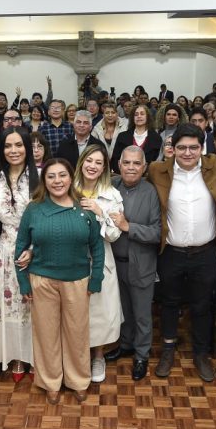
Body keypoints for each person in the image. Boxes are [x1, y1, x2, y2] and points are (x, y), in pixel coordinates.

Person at [15, 158, 104, 404]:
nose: (57, 181)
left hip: (77, 281)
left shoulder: (84, 208)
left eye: (62, 175)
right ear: (45, 181)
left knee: (77, 333)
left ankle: (78, 380)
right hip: (42, 280)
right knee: (46, 334)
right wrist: (24, 283)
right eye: (51, 176)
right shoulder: (34, 209)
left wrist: (96, 278)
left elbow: (97, 246)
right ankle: (50, 381)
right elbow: (20, 246)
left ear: (70, 177)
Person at [147, 123, 216, 382]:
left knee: (203, 305)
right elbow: (127, 177)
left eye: (194, 147)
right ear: (172, 149)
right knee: (169, 302)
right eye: (182, 147)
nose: (188, 153)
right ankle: (168, 348)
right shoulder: (158, 171)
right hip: (171, 252)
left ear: (202, 148)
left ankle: (201, 353)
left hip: (205, 253)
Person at [0, 127, 40, 380]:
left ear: (27, 148)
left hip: (35, 249)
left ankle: (36, 356)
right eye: (8, 146)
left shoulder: (38, 177)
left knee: (34, 305)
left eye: (19, 145)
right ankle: (15, 356)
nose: (14, 151)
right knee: (9, 305)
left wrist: (32, 248)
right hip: (5, 249)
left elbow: (46, 215)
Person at [104, 146, 161, 381]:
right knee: (123, 309)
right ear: (119, 165)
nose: (131, 167)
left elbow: (158, 233)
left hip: (141, 264)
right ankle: (126, 344)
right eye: (126, 163)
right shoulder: (110, 187)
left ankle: (141, 354)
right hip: (115, 263)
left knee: (141, 314)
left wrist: (129, 227)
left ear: (144, 167)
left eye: (136, 163)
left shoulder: (151, 192)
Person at [74, 144, 123, 383]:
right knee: (75, 312)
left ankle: (98, 357)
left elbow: (114, 235)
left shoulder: (111, 195)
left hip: (100, 259)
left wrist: (99, 211)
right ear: (82, 161)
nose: (92, 166)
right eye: (89, 160)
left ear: (104, 168)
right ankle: (77, 357)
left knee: (100, 313)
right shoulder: (68, 189)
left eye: (98, 163)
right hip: (71, 259)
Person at [112, 105, 162, 172]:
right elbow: (115, 160)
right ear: (133, 118)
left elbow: (156, 162)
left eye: (142, 114)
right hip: (124, 176)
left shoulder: (156, 138)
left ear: (147, 117)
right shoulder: (122, 136)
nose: (139, 116)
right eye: (136, 114)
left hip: (147, 178)